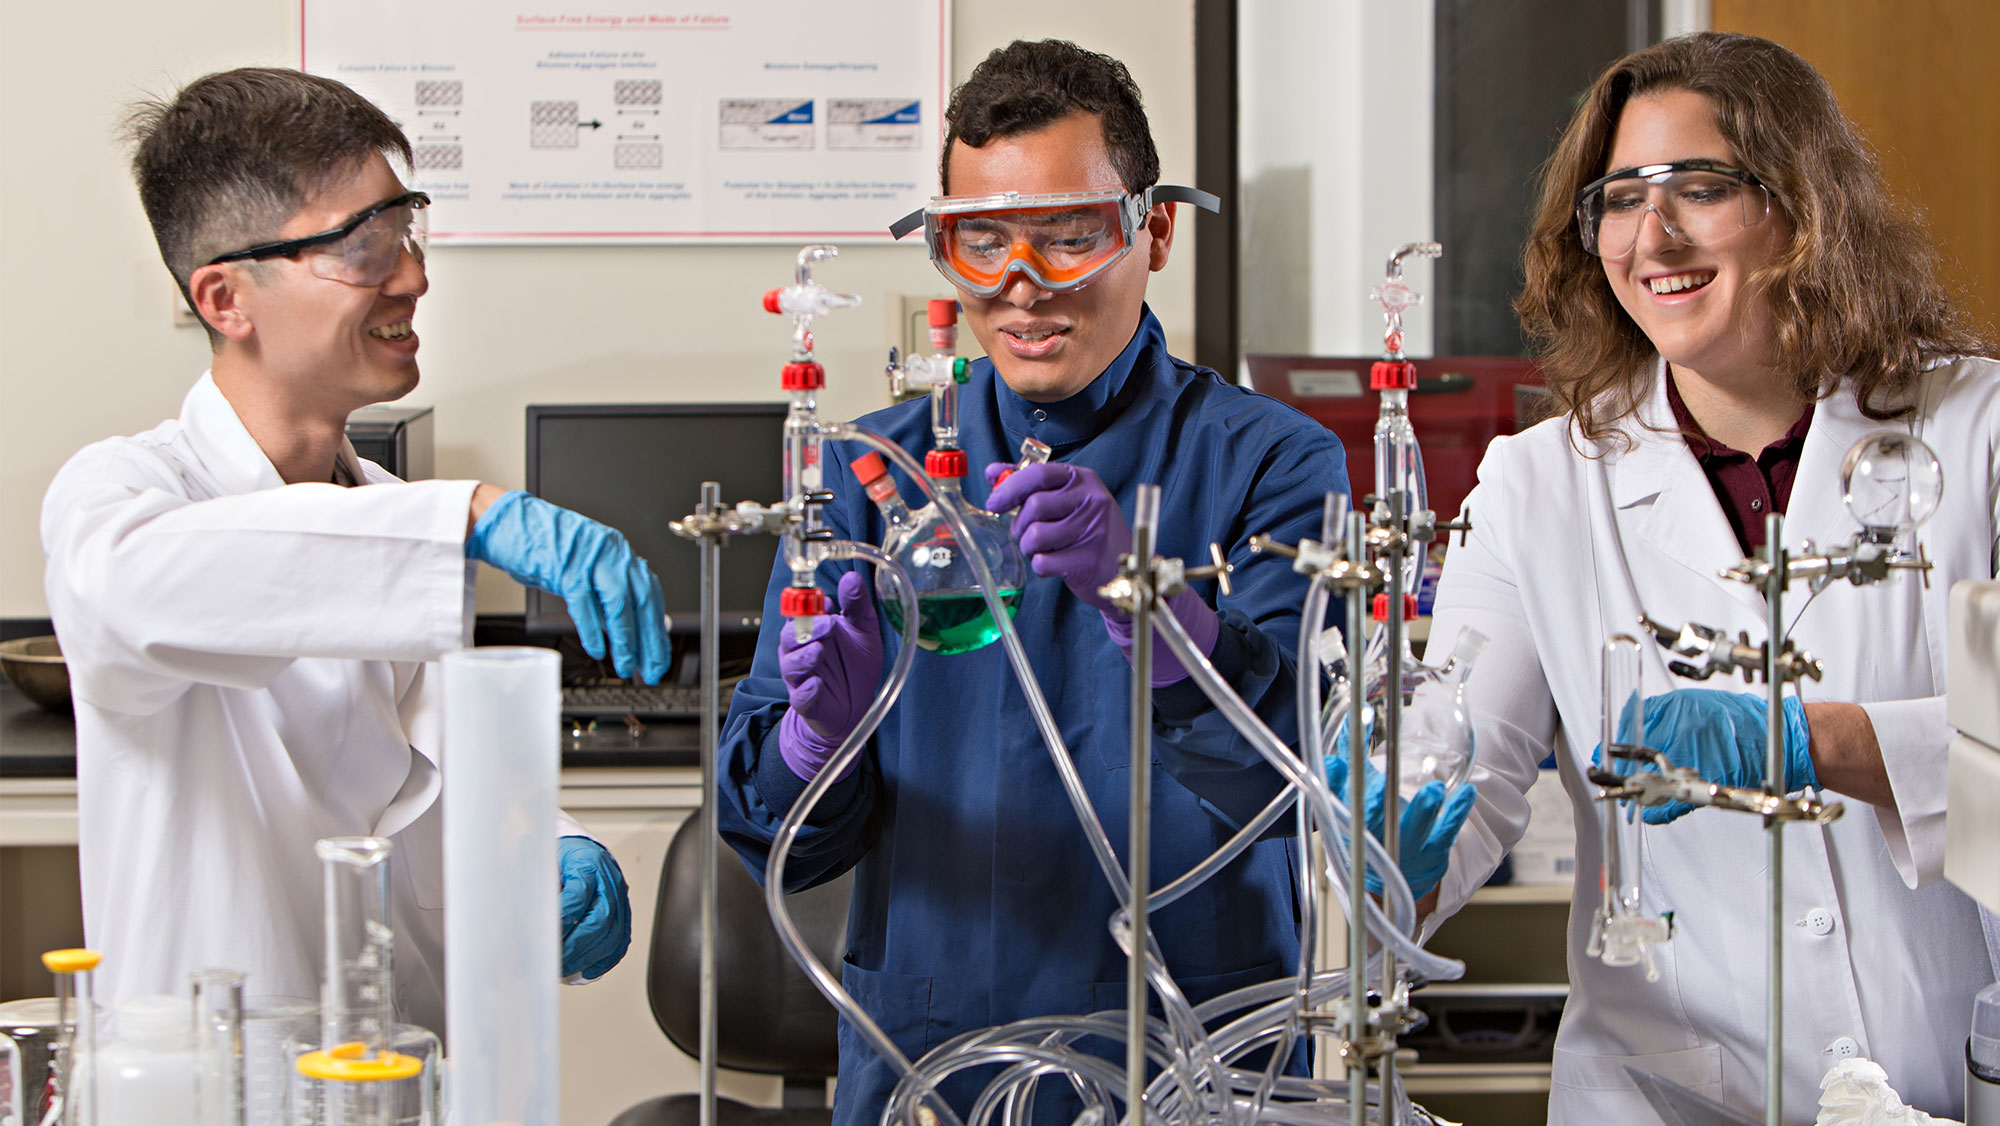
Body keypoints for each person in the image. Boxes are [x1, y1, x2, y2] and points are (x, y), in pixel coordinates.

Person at [718, 38, 1478, 1126]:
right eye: (981, 242)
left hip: (1197, 1049)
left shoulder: (1269, 461)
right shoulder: (866, 475)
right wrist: (812, 743)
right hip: (926, 1051)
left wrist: (1160, 616)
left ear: (1152, 232)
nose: (1021, 286)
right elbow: (776, 841)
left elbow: (1296, 785)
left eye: (1070, 236)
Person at [1424, 31, 1999, 1120]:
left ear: (1805, 205)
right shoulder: (1537, 485)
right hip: (1667, 1099)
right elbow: (1461, 771)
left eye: (1699, 187)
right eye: (1619, 199)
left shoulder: (1979, 431)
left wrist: (1819, 741)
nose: (1654, 235)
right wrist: (1380, 867)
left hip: (1947, 1083)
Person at [41, 68, 670, 1037]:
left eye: (406, 231)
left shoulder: (381, 515)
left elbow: (424, 767)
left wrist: (546, 841)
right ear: (225, 298)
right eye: (363, 246)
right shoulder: (121, 496)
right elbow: (132, 590)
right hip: (218, 1075)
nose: (411, 277)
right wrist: (467, 513)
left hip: (406, 1062)